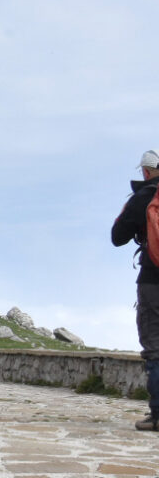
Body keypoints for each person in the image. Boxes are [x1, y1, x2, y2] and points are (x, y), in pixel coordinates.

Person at [112, 149, 159, 430]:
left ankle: (158, 416)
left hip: (153, 281)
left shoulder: (144, 197)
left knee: (154, 347)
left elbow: (117, 237)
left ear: (144, 171)